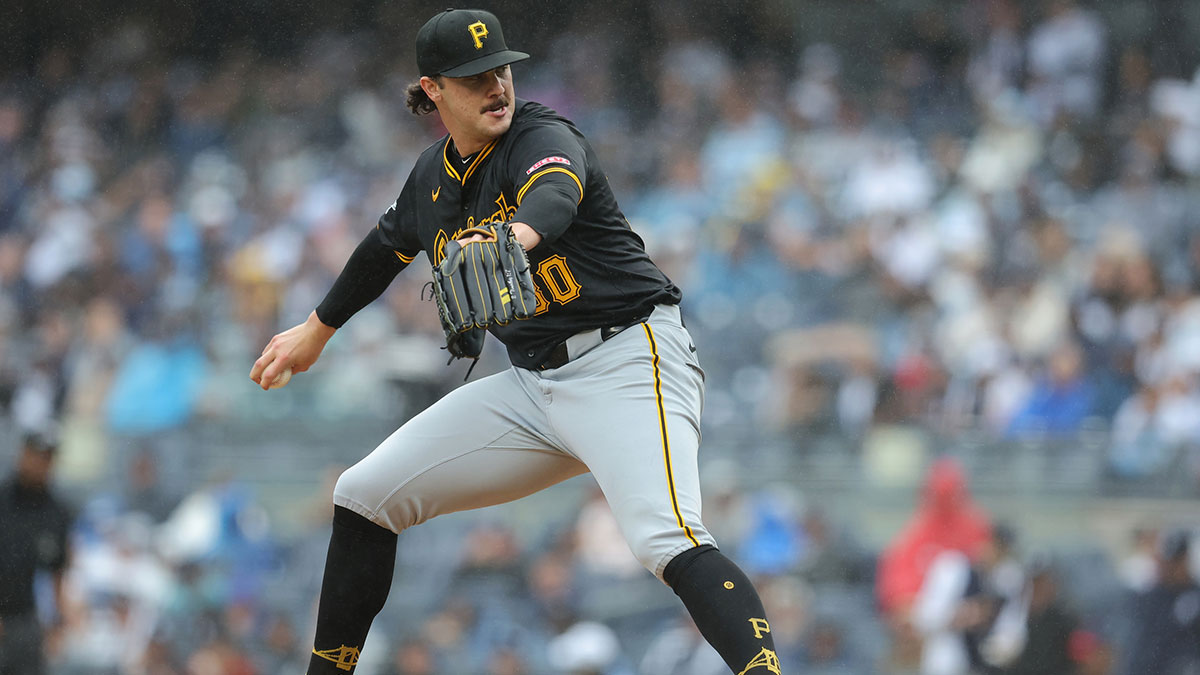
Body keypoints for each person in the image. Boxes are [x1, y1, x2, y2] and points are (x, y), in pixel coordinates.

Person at [249, 9, 778, 675]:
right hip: (534, 386)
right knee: (363, 494)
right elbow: (384, 248)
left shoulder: (541, 134)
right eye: (473, 77)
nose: (495, 84)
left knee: (666, 537)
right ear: (434, 89)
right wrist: (316, 330)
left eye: (500, 68)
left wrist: (513, 238)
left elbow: (555, 194)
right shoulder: (431, 180)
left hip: (628, 358)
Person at [0, 431, 73, 675]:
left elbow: (57, 571)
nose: (41, 464)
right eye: (36, 456)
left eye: (47, 458)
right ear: (23, 455)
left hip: (25, 619)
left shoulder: (56, 511)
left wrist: (58, 624)